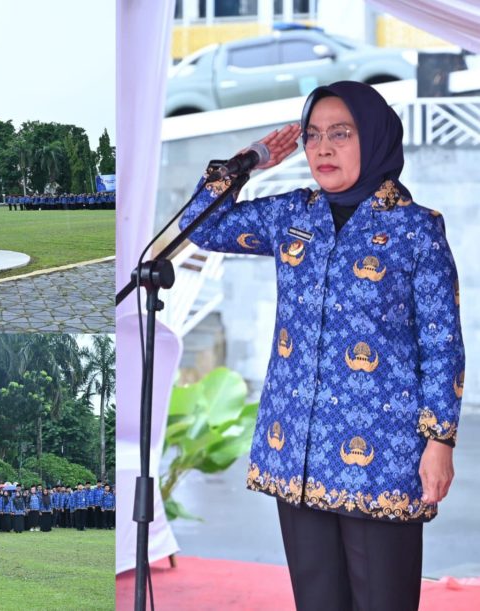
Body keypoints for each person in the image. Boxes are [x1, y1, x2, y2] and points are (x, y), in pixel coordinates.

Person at [179, 80, 464, 611]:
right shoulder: (293, 216)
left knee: (383, 600)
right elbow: (203, 225)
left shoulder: (415, 230)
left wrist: (439, 440)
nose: (322, 148)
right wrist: (246, 162)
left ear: (375, 138)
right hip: (299, 449)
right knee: (317, 600)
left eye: (341, 133)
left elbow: (442, 342)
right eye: (312, 135)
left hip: (382, 451)